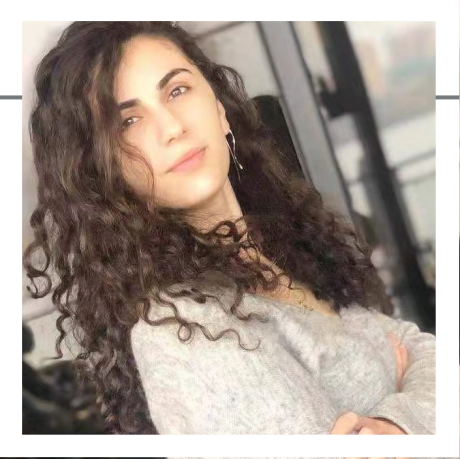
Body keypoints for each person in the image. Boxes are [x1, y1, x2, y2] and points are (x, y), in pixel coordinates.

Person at [23, 21, 435, 437]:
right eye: (129, 120)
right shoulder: (182, 327)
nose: (172, 127)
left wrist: (396, 422)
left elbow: (420, 346)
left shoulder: (285, 250)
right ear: (108, 171)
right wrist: (407, 396)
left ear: (219, 108)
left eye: (177, 91)